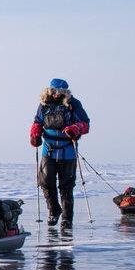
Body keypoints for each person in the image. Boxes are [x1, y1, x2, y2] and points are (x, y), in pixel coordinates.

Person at [29, 78, 90, 227]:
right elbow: (37, 121)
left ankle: (67, 219)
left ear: (66, 92)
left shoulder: (73, 104)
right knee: (45, 182)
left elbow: (85, 124)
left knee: (66, 186)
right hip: (48, 149)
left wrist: (75, 128)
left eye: (61, 92)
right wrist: (35, 133)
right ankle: (54, 210)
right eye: (55, 91)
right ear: (50, 90)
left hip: (67, 150)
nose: (57, 94)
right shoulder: (44, 104)